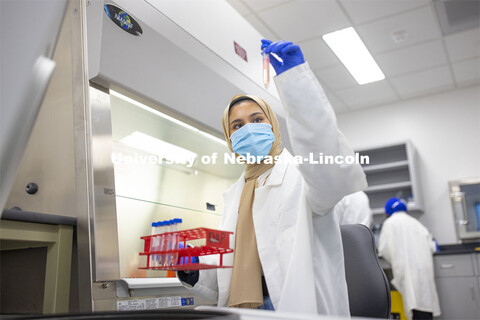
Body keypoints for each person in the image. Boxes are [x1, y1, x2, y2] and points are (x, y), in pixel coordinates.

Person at [177, 39, 367, 316]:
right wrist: (193, 268)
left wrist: (297, 83)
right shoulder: (234, 195)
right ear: (230, 140)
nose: (248, 130)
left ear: (274, 126)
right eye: (237, 126)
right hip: (244, 309)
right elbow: (230, 265)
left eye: (257, 120)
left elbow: (326, 161)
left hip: (292, 306)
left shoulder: (303, 178)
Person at [378, 198, 441, 320]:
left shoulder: (390, 223)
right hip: (424, 269)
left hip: (407, 270)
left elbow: (384, 249)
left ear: (387, 212)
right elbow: (433, 246)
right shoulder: (416, 223)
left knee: (413, 302)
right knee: (424, 303)